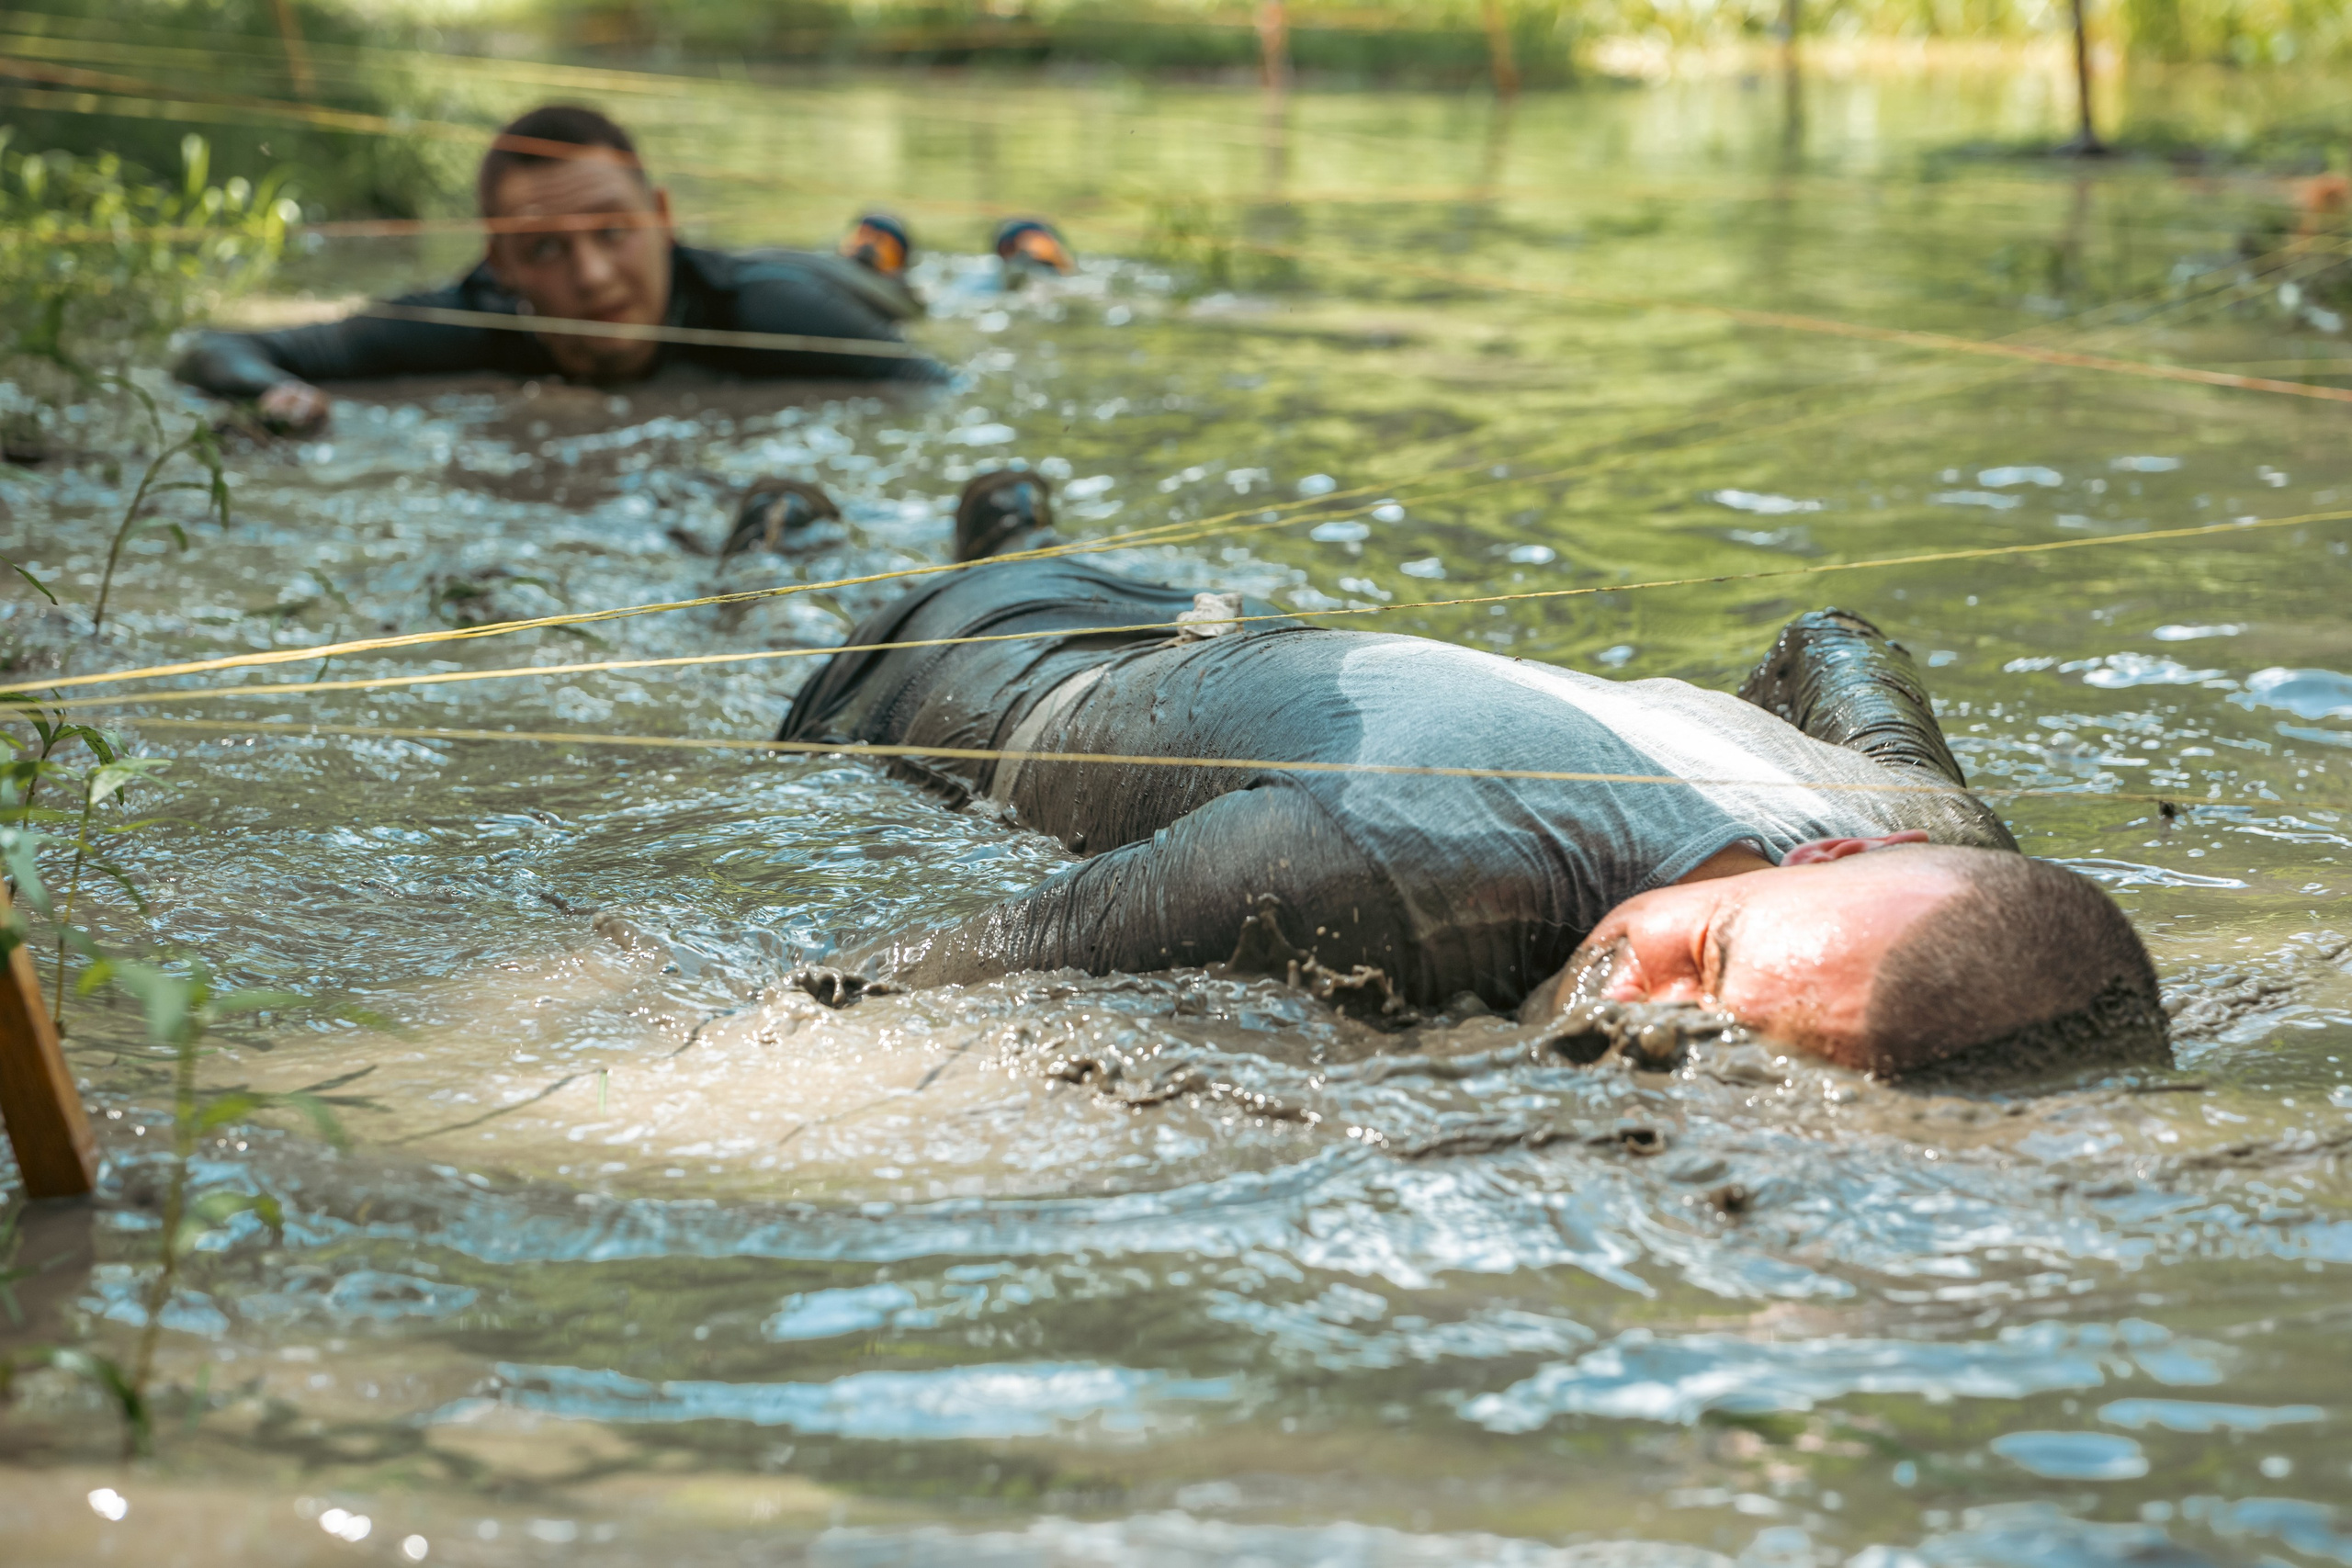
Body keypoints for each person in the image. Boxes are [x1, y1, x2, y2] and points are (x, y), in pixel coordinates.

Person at [754, 471, 2168, 1079]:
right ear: (1831, 859)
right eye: (1714, 951)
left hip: (1231, 633)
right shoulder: (1384, 873)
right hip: (944, 667)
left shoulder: (1936, 833)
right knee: (784, 587)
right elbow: (871, 987)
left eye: (1727, 1034)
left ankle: (1006, 519)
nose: (1642, 991)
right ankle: (801, 548)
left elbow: (1832, 638)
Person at [174, 105, 1077, 432]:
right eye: (548, 251)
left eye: (615, 233)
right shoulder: (468, 315)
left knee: (912, 284)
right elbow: (216, 349)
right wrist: (274, 399)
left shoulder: (769, 308)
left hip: (830, 284)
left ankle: (984, 251)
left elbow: (935, 388)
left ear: (660, 219)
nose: (596, 277)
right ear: (500, 264)